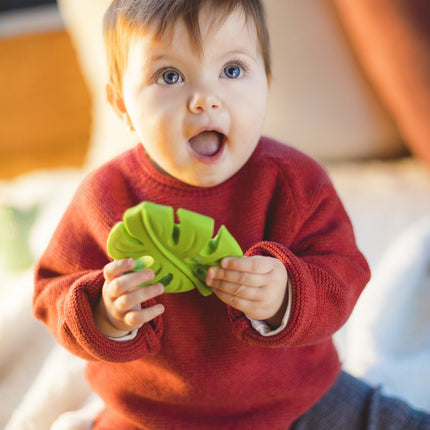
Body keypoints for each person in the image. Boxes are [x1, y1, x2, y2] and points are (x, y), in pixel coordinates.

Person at [33, 0, 430, 428]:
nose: (205, 99)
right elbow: (52, 290)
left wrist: (287, 294)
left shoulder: (294, 182)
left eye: (233, 70)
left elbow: (344, 272)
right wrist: (103, 313)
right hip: (154, 413)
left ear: (266, 84)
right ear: (122, 105)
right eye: (169, 76)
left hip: (298, 397)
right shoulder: (105, 197)